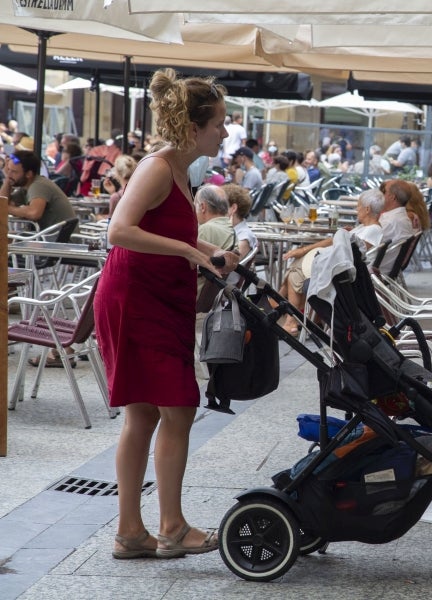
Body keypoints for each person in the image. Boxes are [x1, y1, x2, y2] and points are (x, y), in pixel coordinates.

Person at [94, 68, 238, 561]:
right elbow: (119, 230)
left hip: (152, 297)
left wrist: (205, 251)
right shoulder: (158, 167)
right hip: (136, 299)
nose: (225, 131)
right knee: (176, 406)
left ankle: (131, 532)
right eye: (219, 122)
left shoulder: (181, 169)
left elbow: (165, 233)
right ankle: (171, 526)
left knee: (143, 413)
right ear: (194, 126)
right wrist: (192, 251)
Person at [278, 189, 385, 334]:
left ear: (367, 209)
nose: (356, 209)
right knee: (295, 268)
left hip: (344, 278)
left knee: (294, 272)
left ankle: (288, 320)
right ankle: (287, 317)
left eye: (358, 206)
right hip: (340, 272)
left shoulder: (372, 230)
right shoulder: (364, 228)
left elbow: (352, 255)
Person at [2, 150, 77, 230]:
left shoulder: (38, 185)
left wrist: (7, 208)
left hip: (61, 240)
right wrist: (8, 179)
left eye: (14, 172)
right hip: (49, 238)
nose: (9, 174)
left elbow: (34, 213)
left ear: (28, 174)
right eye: (8, 170)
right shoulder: (26, 187)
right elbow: (3, 201)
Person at [378, 179, 415, 272]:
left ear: (392, 197)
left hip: (374, 271)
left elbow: (366, 245)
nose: (380, 195)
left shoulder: (391, 221)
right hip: (387, 268)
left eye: (384, 192)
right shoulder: (400, 217)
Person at [222, 183, 258, 259]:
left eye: (220, 205)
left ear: (233, 208)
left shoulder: (243, 238)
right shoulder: (238, 231)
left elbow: (227, 267)